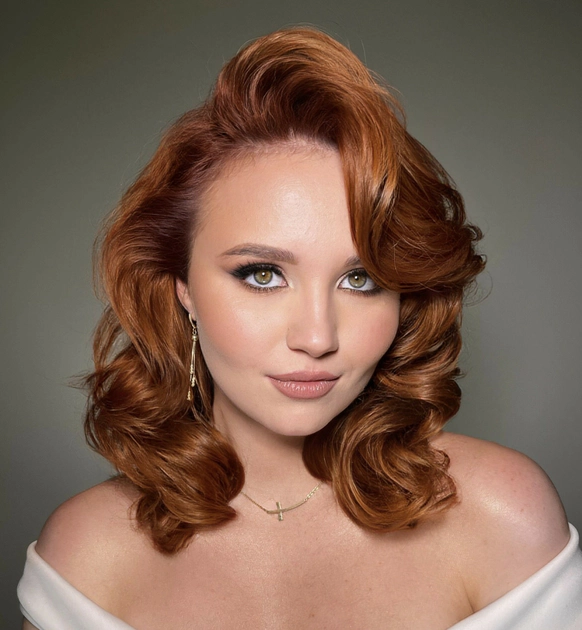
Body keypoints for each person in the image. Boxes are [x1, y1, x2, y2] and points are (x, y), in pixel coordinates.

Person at [17, 26, 582, 630]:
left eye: (360, 279)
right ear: (182, 287)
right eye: (262, 275)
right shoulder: (86, 558)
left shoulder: (502, 517)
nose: (317, 338)